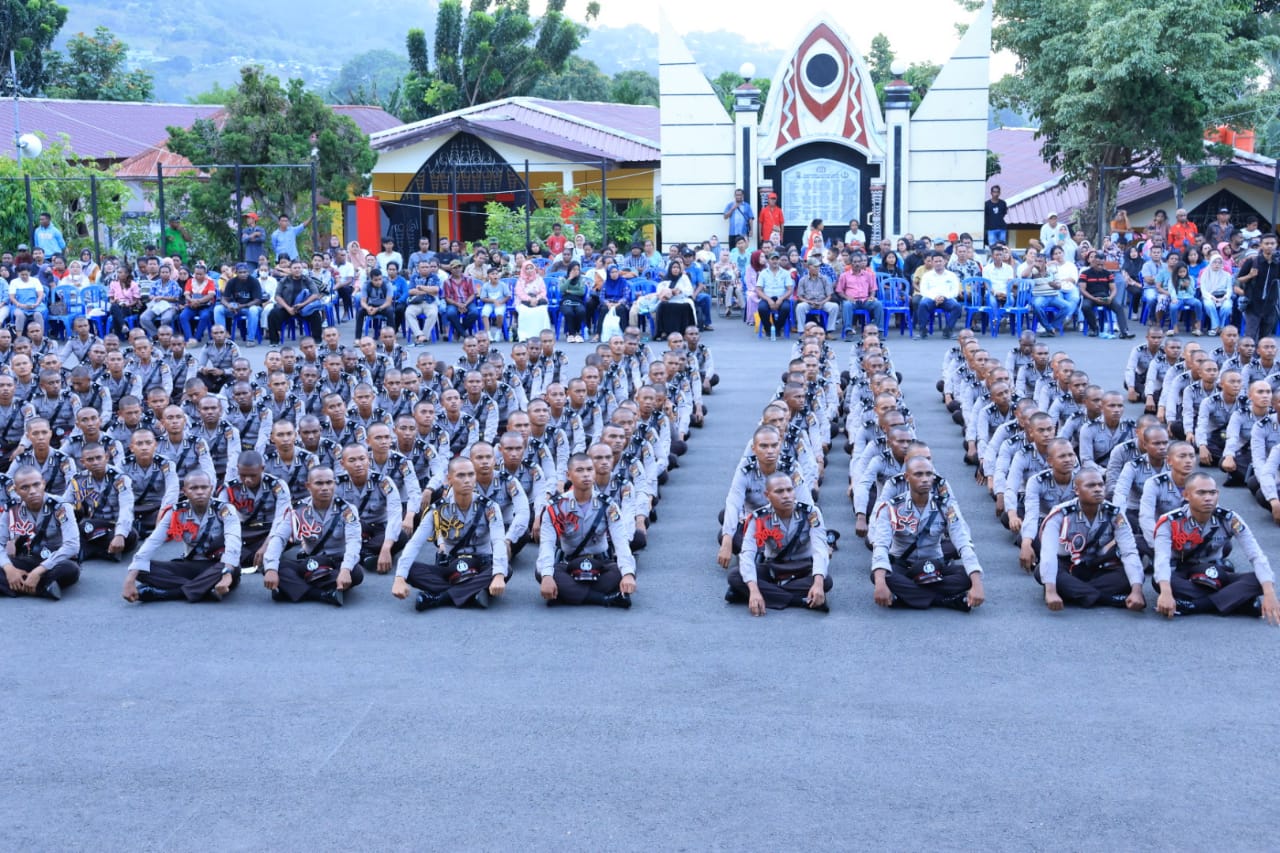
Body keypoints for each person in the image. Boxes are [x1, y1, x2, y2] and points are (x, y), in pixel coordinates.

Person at [1152, 472, 1280, 622]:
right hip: (1182, 574)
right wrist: (1166, 592)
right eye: (1201, 493)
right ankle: (1237, 601)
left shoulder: (1230, 519)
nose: (1208, 498)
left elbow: (1256, 555)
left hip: (1215, 575)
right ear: (1186, 495)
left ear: (1217, 494)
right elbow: (1162, 558)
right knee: (1160, 581)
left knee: (1260, 580)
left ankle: (1195, 606)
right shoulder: (1169, 521)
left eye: (1212, 493)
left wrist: (1270, 594)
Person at [392, 456, 508, 610]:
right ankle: (472, 593)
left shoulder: (489, 507)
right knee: (411, 570)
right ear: (449, 479)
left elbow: (499, 540)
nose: (467, 480)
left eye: (471, 474)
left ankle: (439, 598)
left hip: (481, 563)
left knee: (504, 569)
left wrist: (499, 575)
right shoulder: (438, 510)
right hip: (450, 565)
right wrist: (400, 577)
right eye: (461, 475)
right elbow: (415, 542)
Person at [869, 457, 985, 611]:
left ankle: (906, 598)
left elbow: (963, 542)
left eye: (928, 474)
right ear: (907, 477)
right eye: (918, 474)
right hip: (904, 567)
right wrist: (880, 582)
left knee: (967, 576)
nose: (925, 479)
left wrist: (977, 584)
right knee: (880, 576)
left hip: (935, 566)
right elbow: (881, 545)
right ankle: (946, 600)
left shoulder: (945, 506)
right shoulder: (892, 507)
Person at [1036, 467, 1146, 611]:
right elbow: (1048, 554)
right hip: (1068, 565)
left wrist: (1136, 591)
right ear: (1076, 490)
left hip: (1097, 565)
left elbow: (1129, 552)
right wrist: (1050, 591)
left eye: (1101, 485)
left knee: (1131, 576)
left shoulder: (1115, 514)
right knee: (1041, 572)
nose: (1098, 489)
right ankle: (1108, 599)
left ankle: (1075, 593)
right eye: (1090, 485)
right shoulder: (1060, 514)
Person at [122, 471, 240, 603]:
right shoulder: (176, 512)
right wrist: (130, 579)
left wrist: (227, 572)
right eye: (193, 488)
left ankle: (169, 593)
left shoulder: (225, 510)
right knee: (142, 569)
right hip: (191, 564)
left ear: (211, 489)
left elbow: (233, 541)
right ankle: (204, 589)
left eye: (204, 487)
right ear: (185, 491)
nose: (200, 492)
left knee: (231, 568)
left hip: (218, 566)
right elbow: (152, 542)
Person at [536, 452, 636, 608]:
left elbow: (621, 541)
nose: (586, 475)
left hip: (600, 563)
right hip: (568, 563)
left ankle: (567, 595)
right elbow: (547, 544)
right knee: (542, 572)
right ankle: (605, 599)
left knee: (621, 570)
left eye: (590, 470)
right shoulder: (554, 507)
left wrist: (628, 574)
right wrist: (547, 576)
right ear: (569, 475)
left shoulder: (608, 506)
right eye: (580, 470)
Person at [726, 471, 830, 615]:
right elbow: (747, 553)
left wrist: (818, 583)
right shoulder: (759, 518)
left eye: (789, 490)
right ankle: (800, 601)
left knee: (825, 581)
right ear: (767, 496)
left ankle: (761, 594)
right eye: (779, 492)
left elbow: (820, 549)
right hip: (774, 568)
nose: (786, 495)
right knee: (735, 576)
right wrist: (754, 590)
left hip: (803, 567)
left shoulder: (811, 512)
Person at [261, 466, 363, 606]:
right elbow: (279, 538)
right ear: (308, 486)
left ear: (335, 484)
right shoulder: (297, 510)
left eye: (329, 482)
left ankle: (292, 589)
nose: (325, 487)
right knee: (272, 568)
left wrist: (345, 570)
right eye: (319, 483)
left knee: (356, 573)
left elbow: (354, 542)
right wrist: (271, 569)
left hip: (336, 563)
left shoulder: (347, 510)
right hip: (309, 562)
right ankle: (324, 594)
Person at [0, 465, 80, 601]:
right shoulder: (12, 509)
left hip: (55, 560)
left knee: (71, 569)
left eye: (36, 485)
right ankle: (43, 588)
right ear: (16, 490)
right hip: (28, 558)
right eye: (25, 488)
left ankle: (18, 585)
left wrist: (38, 571)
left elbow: (72, 546)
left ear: (43, 483)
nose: (32, 491)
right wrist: (9, 569)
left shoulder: (60, 506)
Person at [63, 442, 135, 562]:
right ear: (83, 462)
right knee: (80, 528)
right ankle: (102, 551)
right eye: (90, 459)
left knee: (131, 536)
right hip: (94, 525)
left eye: (99, 458)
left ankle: (88, 549)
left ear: (106, 457)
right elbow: (64, 505)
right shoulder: (78, 480)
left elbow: (126, 508)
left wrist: (120, 534)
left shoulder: (121, 478)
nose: (95, 462)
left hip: (115, 525)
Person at [1079, 249, 1134, 338]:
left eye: (1102, 265)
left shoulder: (1108, 274)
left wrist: (1110, 298)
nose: (1100, 267)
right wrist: (1094, 299)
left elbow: (1113, 289)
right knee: (1085, 307)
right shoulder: (1085, 274)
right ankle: (1094, 328)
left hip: (1105, 297)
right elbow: (1082, 290)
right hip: (1090, 297)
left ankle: (1124, 331)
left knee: (1119, 307)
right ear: (1092, 262)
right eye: (1098, 264)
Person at [914, 252, 962, 338]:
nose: (938, 263)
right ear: (932, 263)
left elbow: (955, 291)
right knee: (922, 304)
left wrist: (944, 297)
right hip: (931, 298)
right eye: (936, 261)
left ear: (945, 262)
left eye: (940, 261)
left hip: (947, 298)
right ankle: (922, 331)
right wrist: (935, 297)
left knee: (957, 306)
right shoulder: (927, 276)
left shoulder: (951, 275)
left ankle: (948, 330)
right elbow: (923, 290)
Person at [794, 255, 837, 335]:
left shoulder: (824, 279)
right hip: (808, 303)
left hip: (822, 302)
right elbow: (800, 297)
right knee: (800, 307)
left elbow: (829, 296)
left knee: (834, 306)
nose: (817, 268)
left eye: (818, 266)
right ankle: (802, 332)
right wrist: (809, 302)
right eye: (815, 266)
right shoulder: (803, 280)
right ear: (809, 267)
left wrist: (821, 302)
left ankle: (829, 331)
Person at [755, 252, 793, 341]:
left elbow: (790, 289)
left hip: (782, 297)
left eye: (777, 259)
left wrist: (781, 299)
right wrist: (768, 300)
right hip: (767, 297)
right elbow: (758, 290)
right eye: (773, 259)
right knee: (762, 308)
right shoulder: (763, 273)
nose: (775, 261)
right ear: (768, 261)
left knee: (786, 308)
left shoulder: (785, 273)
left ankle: (777, 328)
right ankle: (768, 329)